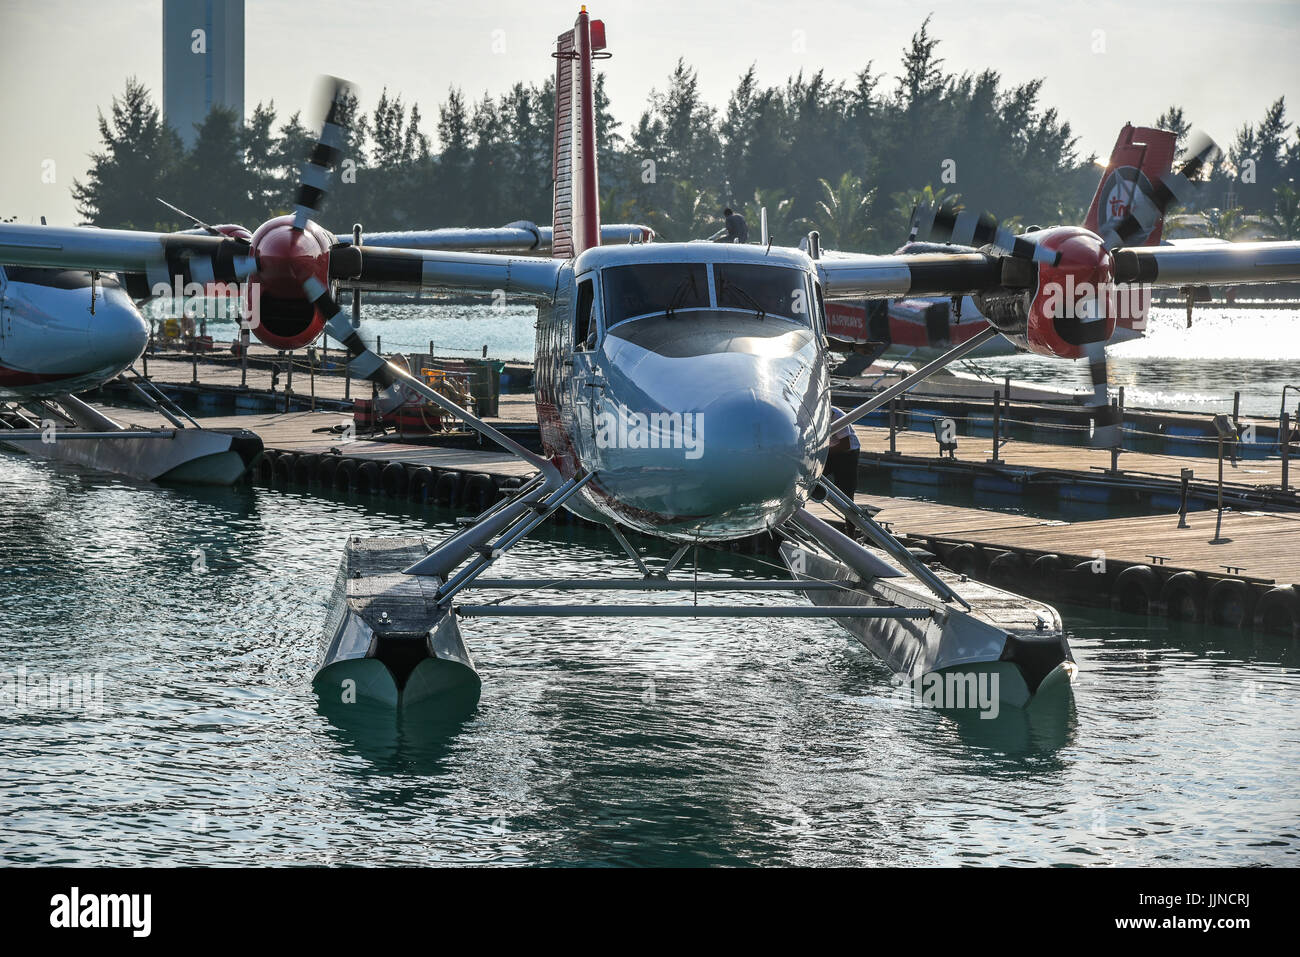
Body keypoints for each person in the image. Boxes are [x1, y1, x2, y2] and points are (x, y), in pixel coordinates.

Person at [825, 406, 862, 496]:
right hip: (829, 450)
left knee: (845, 488)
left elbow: (846, 445)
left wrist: (822, 452)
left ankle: (849, 507)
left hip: (847, 453)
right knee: (808, 481)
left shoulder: (837, 416)